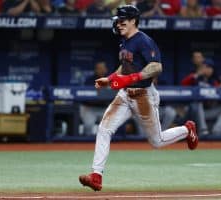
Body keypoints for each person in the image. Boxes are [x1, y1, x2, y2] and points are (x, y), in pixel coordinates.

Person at [79, 5, 198, 191]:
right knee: (104, 129)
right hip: (125, 94)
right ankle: (96, 175)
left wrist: (132, 78)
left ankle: (187, 129)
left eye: (122, 20)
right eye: (117, 20)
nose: (118, 24)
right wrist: (110, 79)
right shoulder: (124, 42)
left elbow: (157, 67)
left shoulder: (144, 40)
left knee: (156, 142)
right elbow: (125, 66)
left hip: (144, 96)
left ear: (133, 20)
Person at [181, 54, 221, 135]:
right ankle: (203, 130)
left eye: (210, 67)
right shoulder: (195, 77)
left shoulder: (215, 81)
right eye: (206, 67)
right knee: (198, 101)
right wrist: (198, 74)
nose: (208, 69)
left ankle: (217, 129)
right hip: (194, 112)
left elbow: (220, 92)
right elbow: (183, 84)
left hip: (208, 111)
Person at [80, 61, 110, 135]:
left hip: (104, 108)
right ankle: (86, 144)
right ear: (95, 70)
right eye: (99, 68)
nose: (102, 70)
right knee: (88, 125)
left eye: (103, 68)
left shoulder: (110, 80)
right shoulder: (89, 81)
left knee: (109, 127)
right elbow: (85, 97)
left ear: (106, 69)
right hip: (90, 108)